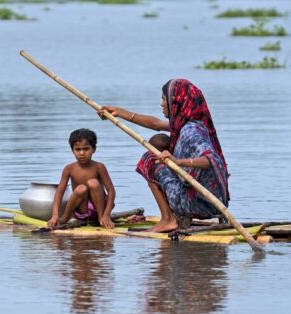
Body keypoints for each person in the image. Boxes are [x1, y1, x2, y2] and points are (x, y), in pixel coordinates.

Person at [100, 78, 229, 233]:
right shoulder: (192, 123)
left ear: (177, 102)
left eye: (164, 99)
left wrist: (179, 162)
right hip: (215, 203)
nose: (161, 104)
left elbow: (211, 159)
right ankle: (169, 216)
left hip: (197, 204)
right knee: (158, 142)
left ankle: (168, 219)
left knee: (148, 159)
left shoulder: (189, 131)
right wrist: (120, 113)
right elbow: (155, 124)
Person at [47, 128, 116, 230]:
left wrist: (107, 214)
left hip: (99, 208)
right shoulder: (69, 169)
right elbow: (60, 192)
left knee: (93, 183)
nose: (82, 153)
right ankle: (65, 218)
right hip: (82, 211)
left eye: (86, 149)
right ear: (72, 151)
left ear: (94, 149)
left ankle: (101, 219)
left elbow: (111, 191)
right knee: (81, 188)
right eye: (78, 149)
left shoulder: (99, 167)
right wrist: (55, 215)